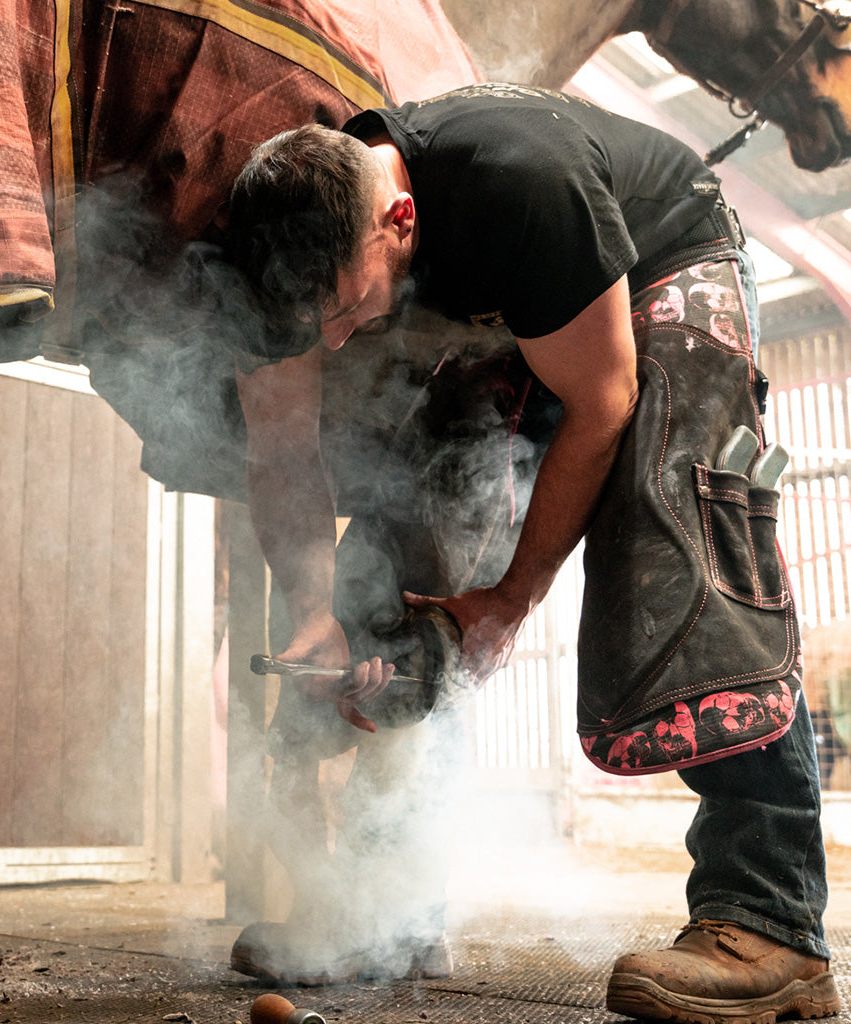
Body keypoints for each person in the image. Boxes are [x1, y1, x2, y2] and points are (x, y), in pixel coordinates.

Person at [222, 82, 840, 1024]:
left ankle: (768, 918)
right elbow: (280, 450)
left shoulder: (519, 182)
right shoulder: (288, 241)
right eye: (319, 326)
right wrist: (315, 611)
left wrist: (510, 599)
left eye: (349, 310)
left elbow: (603, 404)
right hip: (534, 316)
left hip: (667, 261)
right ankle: (387, 907)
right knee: (390, 554)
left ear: (401, 217)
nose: (337, 340)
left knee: (675, 527)